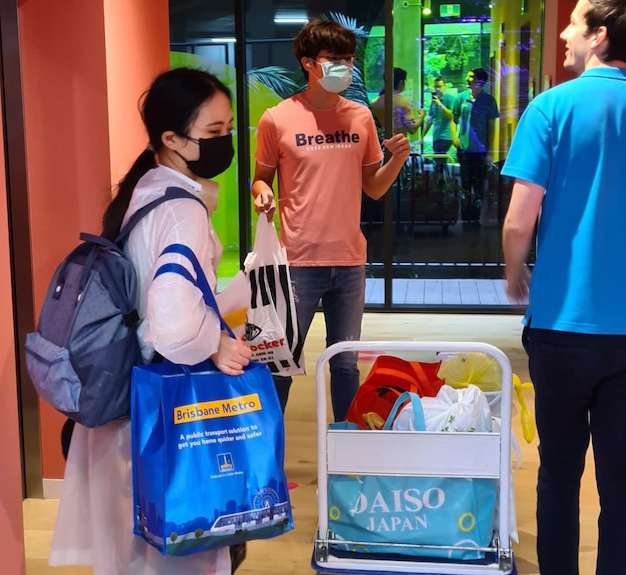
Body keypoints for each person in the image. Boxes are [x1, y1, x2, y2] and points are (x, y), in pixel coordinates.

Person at [500, 1, 626, 574]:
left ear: (599, 35)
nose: (564, 31)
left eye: (574, 21)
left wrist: (515, 272)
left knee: (560, 473)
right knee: (623, 483)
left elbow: (521, 220)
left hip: (563, 327)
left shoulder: (549, 110)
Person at [48, 67, 253, 575]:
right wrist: (217, 344)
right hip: (169, 404)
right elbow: (171, 321)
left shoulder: (145, 191)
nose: (225, 142)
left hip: (131, 402)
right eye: (213, 133)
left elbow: (152, 297)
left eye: (229, 130)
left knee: (137, 549)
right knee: (183, 548)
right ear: (171, 138)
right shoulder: (183, 210)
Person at [251, 19, 410, 420]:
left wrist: (398, 160)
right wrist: (262, 193)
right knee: (280, 363)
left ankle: (346, 450)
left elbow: (372, 187)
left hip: (350, 259)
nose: (344, 66)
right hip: (298, 261)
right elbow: (259, 180)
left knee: (344, 364)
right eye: (333, 59)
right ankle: (268, 452)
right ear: (308, 62)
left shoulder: (359, 118)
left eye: (348, 59)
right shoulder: (277, 119)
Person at [454, 68, 499, 223]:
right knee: (465, 182)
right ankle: (465, 216)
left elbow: (492, 127)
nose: (467, 79)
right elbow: (453, 120)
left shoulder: (489, 101)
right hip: (463, 148)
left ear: (480, 81)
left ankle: (476, 217)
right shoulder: (461, 98)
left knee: (478, 183)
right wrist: (454, 137)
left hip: (480, 150)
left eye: (471, 77)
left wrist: (490, 150)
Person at [370, 67, 426, 136]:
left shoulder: (373, 103)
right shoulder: (404, 102)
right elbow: (412, 129)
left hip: (379, 144)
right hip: (398, 144)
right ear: (401, 82)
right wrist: (422, 116)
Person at [423, 76, 459, 173]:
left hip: (446, 136)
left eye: (439, 86)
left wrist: (440, 104)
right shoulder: (433, 102)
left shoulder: (450, 99)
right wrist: (422, 136)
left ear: (445, 86)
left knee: (440, 161)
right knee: (438, 161)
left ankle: (441, 182)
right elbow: (430, 120)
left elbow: (452, 115)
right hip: (436, 136)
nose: (437, 89)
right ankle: (442, 181)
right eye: (435, 87)